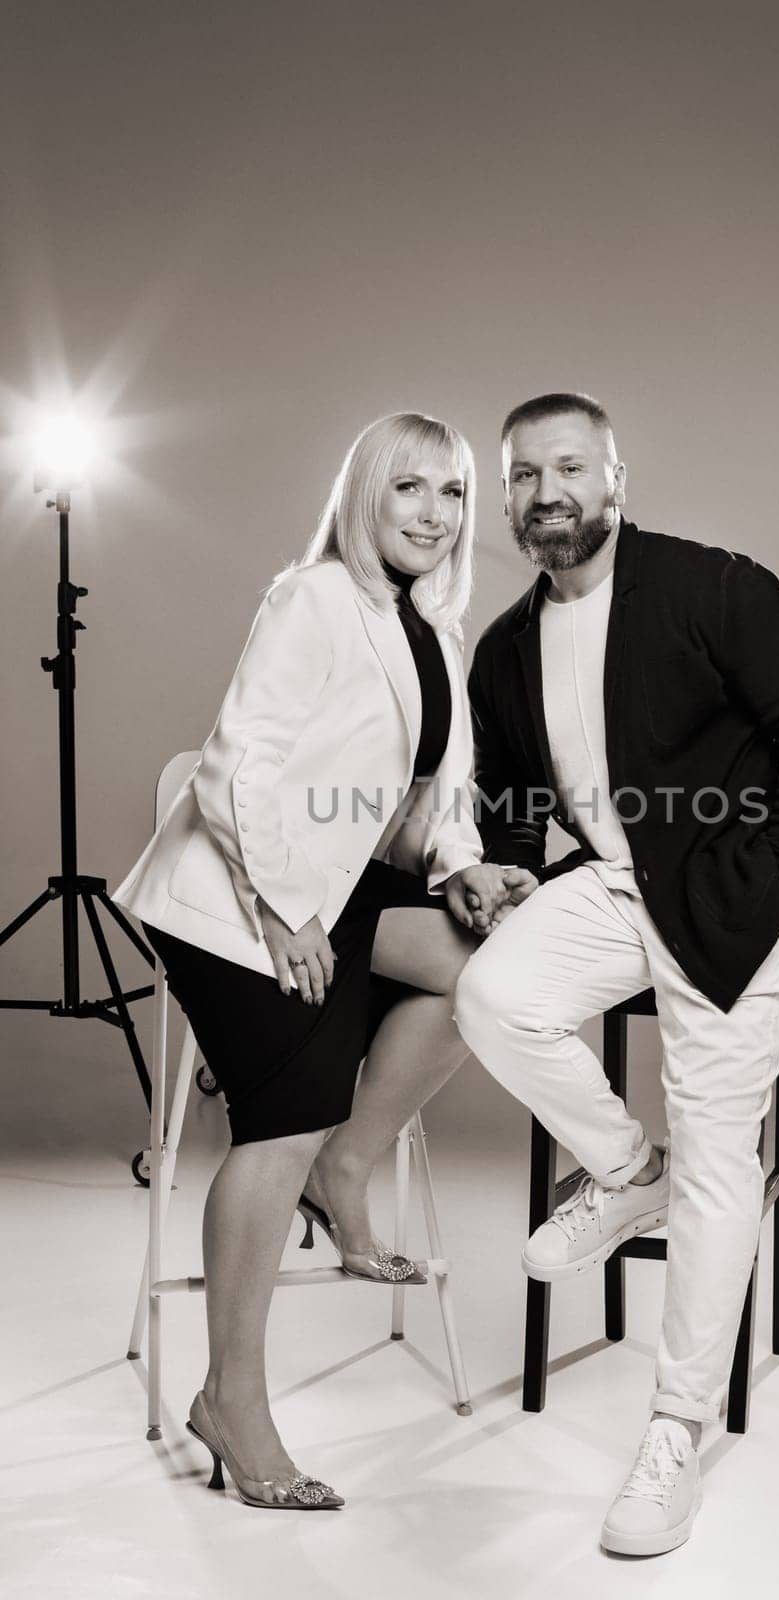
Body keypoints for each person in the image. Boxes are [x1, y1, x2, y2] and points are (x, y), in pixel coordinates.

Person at [453, 392, 779, 1556]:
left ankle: (673, 1432)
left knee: (721, 1149)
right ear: (508, 499)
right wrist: (495, 871)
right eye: (525, 476)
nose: (548, 494)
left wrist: (775, 873)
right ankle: (626, 1170)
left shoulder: (711, 585)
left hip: (732, 890)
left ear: (615, 479)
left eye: (569, 468)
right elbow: (514, 810)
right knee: (491, 997)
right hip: (617, 885)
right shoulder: (505, 648)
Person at [115, 412, 514, 1510]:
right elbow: (235, 768)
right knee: (282, 1117)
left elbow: (442, 799)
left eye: (450, 494)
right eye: (408, 491)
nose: (432, 514)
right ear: (364, 498)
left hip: (340, 891)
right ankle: (230, 1401)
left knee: (485, 972)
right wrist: (288, 914)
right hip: (235, 898)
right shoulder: (314, 595)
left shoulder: (435, 629)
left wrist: (464, 868)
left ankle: (350, 1165)